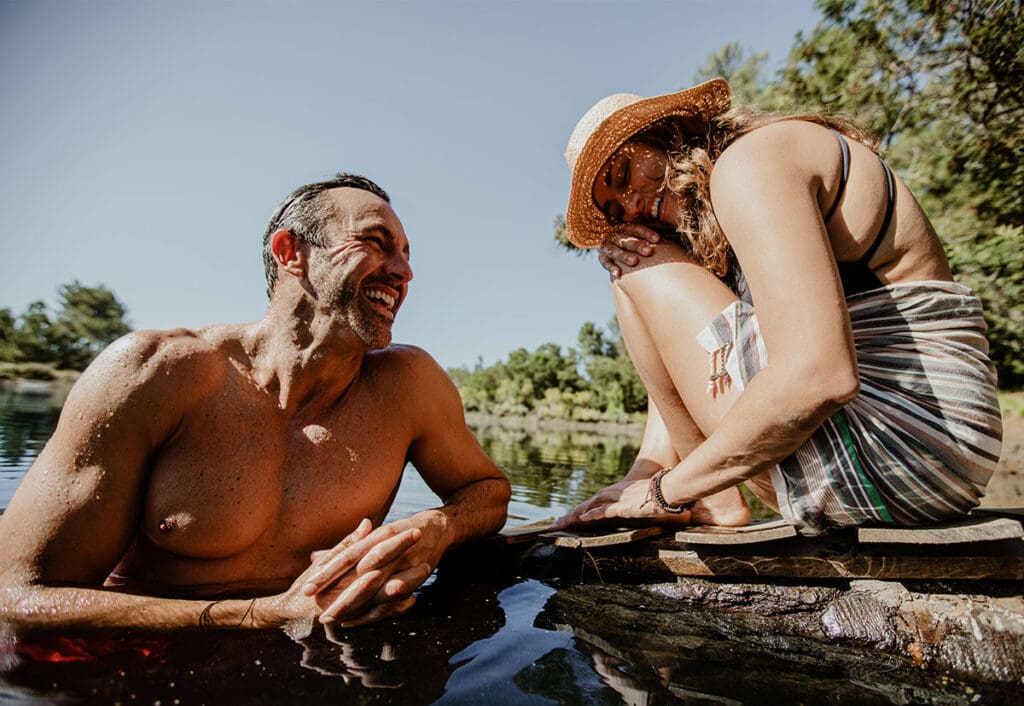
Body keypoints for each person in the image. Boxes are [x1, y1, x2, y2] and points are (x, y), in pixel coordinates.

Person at [0, 173, 511, 630]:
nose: (403, 272)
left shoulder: (409, 384)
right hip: (143, 659)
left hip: (313, 658)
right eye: (376, 244)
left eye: (405, 253)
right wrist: (256, 616)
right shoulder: (153, 372)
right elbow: (16, 596)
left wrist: (435, 526)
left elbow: (487, 491)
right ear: (290, 252)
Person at [552, 79, 1002, 535]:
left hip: (909, 444)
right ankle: (697, 490)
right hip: (939, 461)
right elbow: (679, 357)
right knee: (626, 254)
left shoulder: (751, 164)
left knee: (634, 262)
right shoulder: (739, 193)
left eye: (623, 175)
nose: (631, 204)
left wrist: (666, 492)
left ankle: (706, 494)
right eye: (615, 207)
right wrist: (639, 481)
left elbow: (819, 375)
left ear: (666, 131)